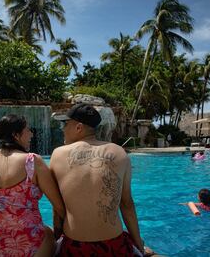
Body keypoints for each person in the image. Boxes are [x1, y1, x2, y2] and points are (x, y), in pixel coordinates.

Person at [51, 103, 150, 256]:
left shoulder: (58, 154)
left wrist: (57, 237)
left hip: (76, 247)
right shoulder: (119, 152)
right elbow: (127, 204)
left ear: (78, 127)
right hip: (113, 245)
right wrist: (137, 243)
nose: (62, 129)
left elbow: (58, 209)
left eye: (65, 124)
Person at [0, 114, 65, 257]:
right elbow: (59, 206)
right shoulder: (31, 161)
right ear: (16, 135)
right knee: (49, 233)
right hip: (27, 243)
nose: (31, 133)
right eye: (28, 130)